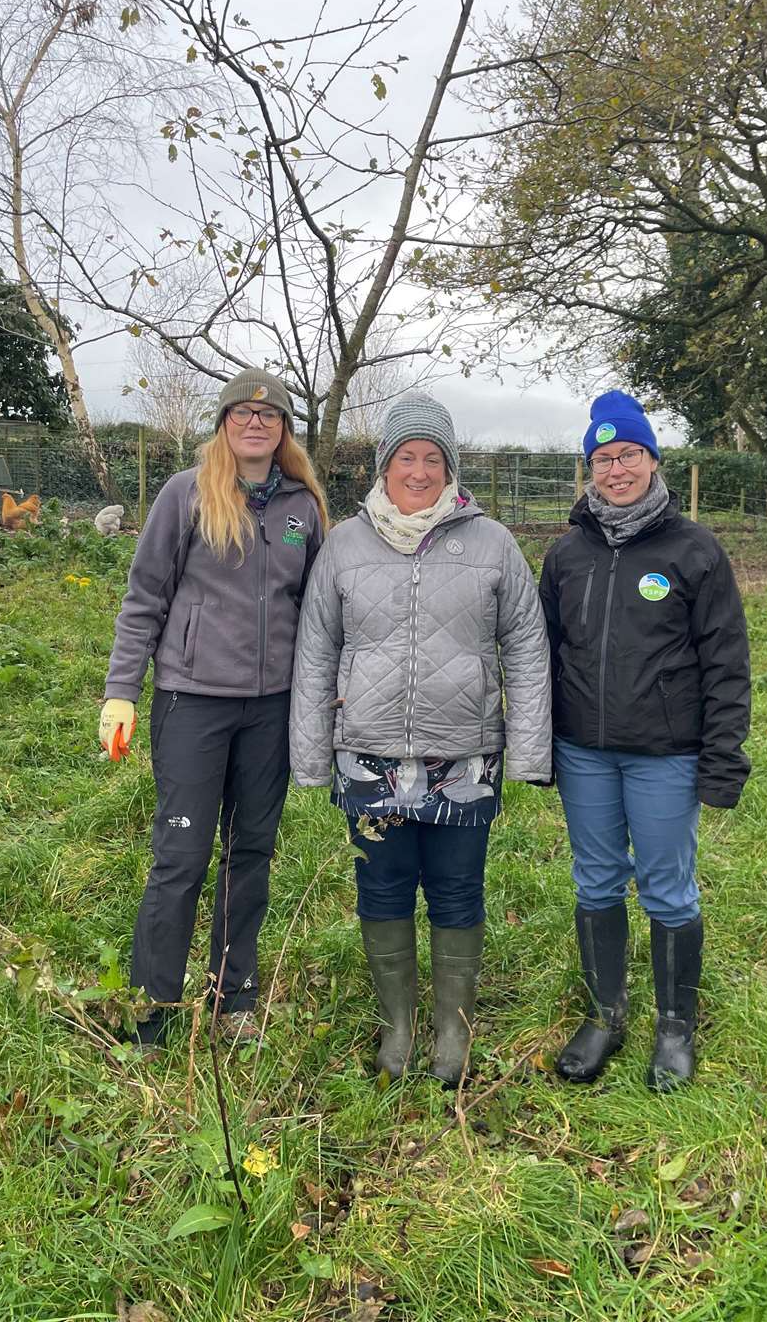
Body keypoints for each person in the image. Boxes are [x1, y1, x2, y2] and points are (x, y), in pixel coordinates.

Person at [290, 392, 551, 1084]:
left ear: (450, 467)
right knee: (382, 891)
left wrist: (526, 749)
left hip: (463, 755)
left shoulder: (492, 543)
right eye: (405, 456)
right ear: (384, 466)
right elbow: (315, 650)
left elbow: (526, 644)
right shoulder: (344, 546)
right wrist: (312, 757)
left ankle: (451, 1032)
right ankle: (398, 1028)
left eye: (432, 457)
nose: (418, 469)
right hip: (369, 756)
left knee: (459, 890)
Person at [99, 367, 327, 1052]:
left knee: (251, 852)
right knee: (182, 856)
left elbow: (318, 612)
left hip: (270, 712)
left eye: (270, 415)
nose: (255, 424)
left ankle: (234, 996)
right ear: (224, 422)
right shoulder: (186, 495)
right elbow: (145, 598)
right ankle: (153, 1008)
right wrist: (121, 690)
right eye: (242, 413)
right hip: (191, 704)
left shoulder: (303, 509)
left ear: (284, 430)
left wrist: (326, 694)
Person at [539, 390, 750, 1092]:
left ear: (653, 459)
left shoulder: (694, 551)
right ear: (588, 469)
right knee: (596, 879)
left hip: (666, 755)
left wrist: (723, 759)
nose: (616, 468)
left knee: (668, 889)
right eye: (602, 458)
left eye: (628, 453)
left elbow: (725, 662)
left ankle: (673, 1027)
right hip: (584, 751)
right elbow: (541, 653)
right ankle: (606, 1014)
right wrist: (539, 745)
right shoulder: (567, 553)